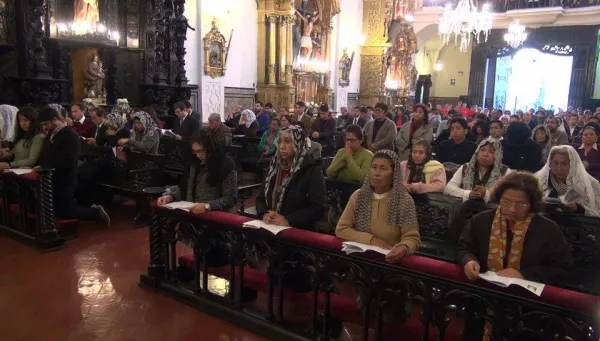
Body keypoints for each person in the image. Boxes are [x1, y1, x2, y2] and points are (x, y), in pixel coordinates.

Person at [457, 171, 573, 284]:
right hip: (485, 287)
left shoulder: (548, 230)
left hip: (526, 296)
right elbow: (463, 249)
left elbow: (563, 269)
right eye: (506, 202)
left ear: (532, 204)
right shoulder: (481, 221)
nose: (512, 209)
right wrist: (468, 260)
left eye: (521, 204)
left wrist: (525, 274)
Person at [335, 150, 421, 263]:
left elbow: (412, 238)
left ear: (394, 173)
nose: (376, 173)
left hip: (389, 262)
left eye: (383, 168)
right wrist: (372, 240)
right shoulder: (359, 195)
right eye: (374, 167)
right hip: (359, 260)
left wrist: (404, 247)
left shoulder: (403, 200)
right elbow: (342, 229)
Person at [37, 106, 110, 225]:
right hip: (52, 177)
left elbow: (69, 161)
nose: (44, 127)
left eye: (46, 123)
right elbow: (46, 154)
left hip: (65, 179)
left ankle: (96, 213)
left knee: (67, 211)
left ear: (55, 119)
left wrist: (47, 167)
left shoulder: (70, 135)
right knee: (55, 210)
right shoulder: (51, 134)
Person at [255, 125, 326, 230]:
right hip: (271, 227)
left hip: (298, 229)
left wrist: (288, 220)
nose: (282, 146)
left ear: (298, 144)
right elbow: (261, 198)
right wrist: (264, 214)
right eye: (280, 142)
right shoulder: (273, 168)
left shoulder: (311, 169)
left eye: (287, 142)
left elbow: (317, 207)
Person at [157, 133, 238, 213]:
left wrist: (207, 206)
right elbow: (185, 190)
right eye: (194, 151)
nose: (198, 155)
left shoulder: (225, 164)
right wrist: (171, 197)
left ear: (209, 148)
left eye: (200, 150)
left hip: (217, 216)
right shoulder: (193, 162)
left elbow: (231, 198)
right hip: (193, 214)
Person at [534, 145, 600, 217]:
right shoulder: (539, 181)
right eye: (555, 163)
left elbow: (597, 212)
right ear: (550, 164)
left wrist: (579, 209)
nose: (559, 168)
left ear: (573, 165)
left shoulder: (590, 184)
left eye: (564, 164)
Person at [445, 137, 512, 203]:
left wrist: (486, 194)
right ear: (477, 152)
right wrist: (469, 194)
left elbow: (509, 197)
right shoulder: (466, 167)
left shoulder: (505, 171)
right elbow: (448, 188)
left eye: (491, 152)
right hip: (466, 209)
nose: (485, 154)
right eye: (482, 150)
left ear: (498, 156)